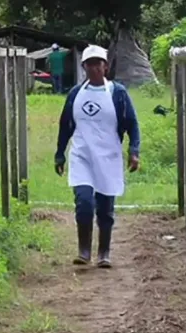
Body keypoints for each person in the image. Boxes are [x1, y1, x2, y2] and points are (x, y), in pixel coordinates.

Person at [54, 44, 140, 268]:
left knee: (105, 207)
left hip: (108, 156)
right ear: (84, 67)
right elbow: (65, 125)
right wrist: (59, 154)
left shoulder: (117, 93)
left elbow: (132, 123)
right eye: (89, 64)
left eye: (97, 64)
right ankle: (84, 250)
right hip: (82, 154)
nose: (93, 69)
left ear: (105, 66)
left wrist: (134, 151)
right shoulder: (75, 94)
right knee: (83, 202)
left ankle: (104, 252)